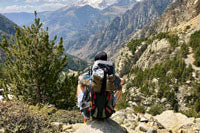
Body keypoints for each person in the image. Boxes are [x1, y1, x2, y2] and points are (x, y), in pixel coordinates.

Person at [77, 51, 124, 120]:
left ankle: (81, 105)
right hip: (107, 113)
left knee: (80, 84)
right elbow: (121, 81)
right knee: (120, 88)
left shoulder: (92, 73)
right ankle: (112, 106)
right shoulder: (110, 75)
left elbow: (80, 79)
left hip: (89, 113)